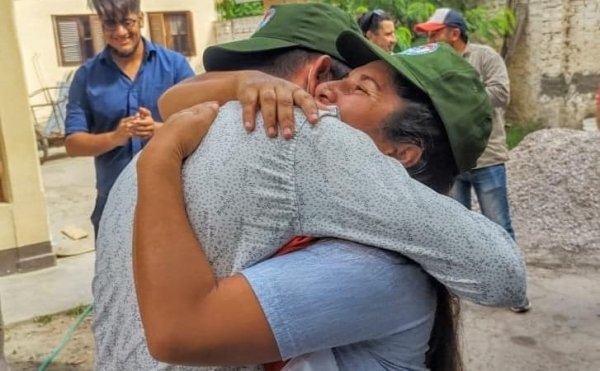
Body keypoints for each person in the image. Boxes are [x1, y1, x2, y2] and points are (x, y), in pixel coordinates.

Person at [94, 4, 526, 370]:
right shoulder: (301, 154)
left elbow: (504, 272)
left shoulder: (315, 150)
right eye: (345, 76)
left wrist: (158, 160)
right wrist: (240, 85)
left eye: (361, 86)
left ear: (404, 154)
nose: (328, 91)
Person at [415, 8, 530, 313]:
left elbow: (501, 93)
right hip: (452, 160)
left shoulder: (485, 57)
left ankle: (515, 290)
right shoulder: (434, 62)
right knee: (457, 228)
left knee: (499, 226)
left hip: (487, 157)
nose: (429, 38)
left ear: (455, 32)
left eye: (435, 32)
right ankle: (466, 288)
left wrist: (458, 98)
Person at [64, 0, 194, 236]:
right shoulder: (86, 76)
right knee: (114, 272)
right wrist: (115, 137)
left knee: (174, 272)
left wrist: (159, 129)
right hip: (113, 201)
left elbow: (202, 124)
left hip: (174, 197)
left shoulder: (175, 66)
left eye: (127, 22)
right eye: (110, 24)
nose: (121, 32)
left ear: (141, 19)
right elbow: (73, 144)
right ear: (101, 26)